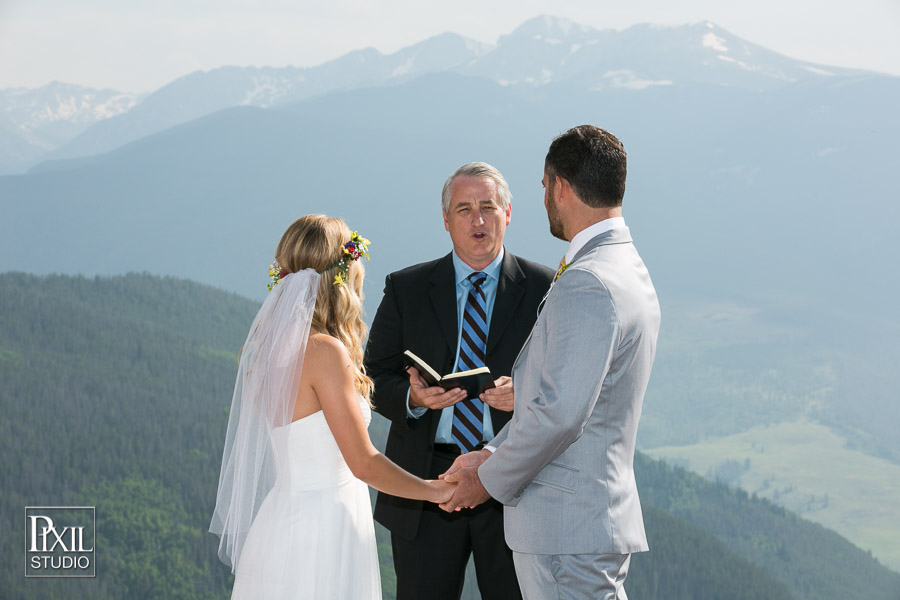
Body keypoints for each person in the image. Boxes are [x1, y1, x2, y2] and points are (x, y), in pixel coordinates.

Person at [440, 126, 661, 600]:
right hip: (585, 522)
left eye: (543, 186)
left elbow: (560, 415)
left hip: (566, 532)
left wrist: (486, 477)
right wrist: (492, 452)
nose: (544, 198)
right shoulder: (625, 265)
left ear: (560, 186)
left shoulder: (588, 282)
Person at [210, 215, 455, 600]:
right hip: (322, 532)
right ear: (342, 278)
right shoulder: (325, 351)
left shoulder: (268, 351)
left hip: (282, 522)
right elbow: (363, 462)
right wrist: (434, 491)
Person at [364, 162, 554, 600]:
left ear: (508, 214)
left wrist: (521, 396)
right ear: (446, 221)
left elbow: (564, 387)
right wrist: (411, 398)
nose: (478, 220)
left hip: (513, 482)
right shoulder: (406, 288)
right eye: (464, 209)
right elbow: (371, 376)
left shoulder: (546, 289)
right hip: (425, 486)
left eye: (488, 207)